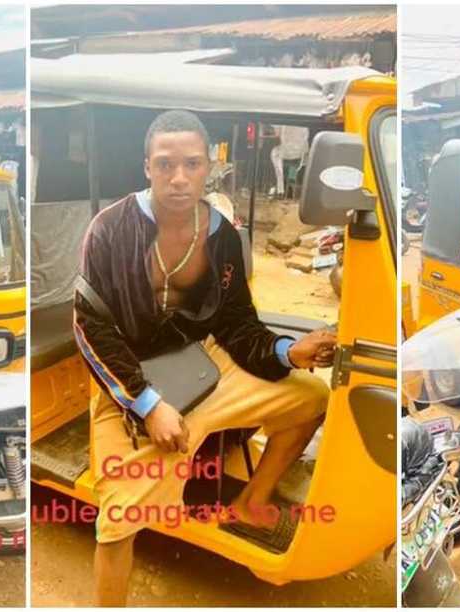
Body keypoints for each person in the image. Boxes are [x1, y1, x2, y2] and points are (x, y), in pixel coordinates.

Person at [74, 110, 335, 606]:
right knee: (117, 520)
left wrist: (286, 350)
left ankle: (250, 501)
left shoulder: (222, 236)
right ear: (146, 166)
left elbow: (237, 322)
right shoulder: (107, 230)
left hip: (205, 365)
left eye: (192, 163)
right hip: (126, 377)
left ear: (209, 166)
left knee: (309, 397)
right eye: (165, 164)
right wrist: (147, 405)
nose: (179, 177)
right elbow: (90, 328)